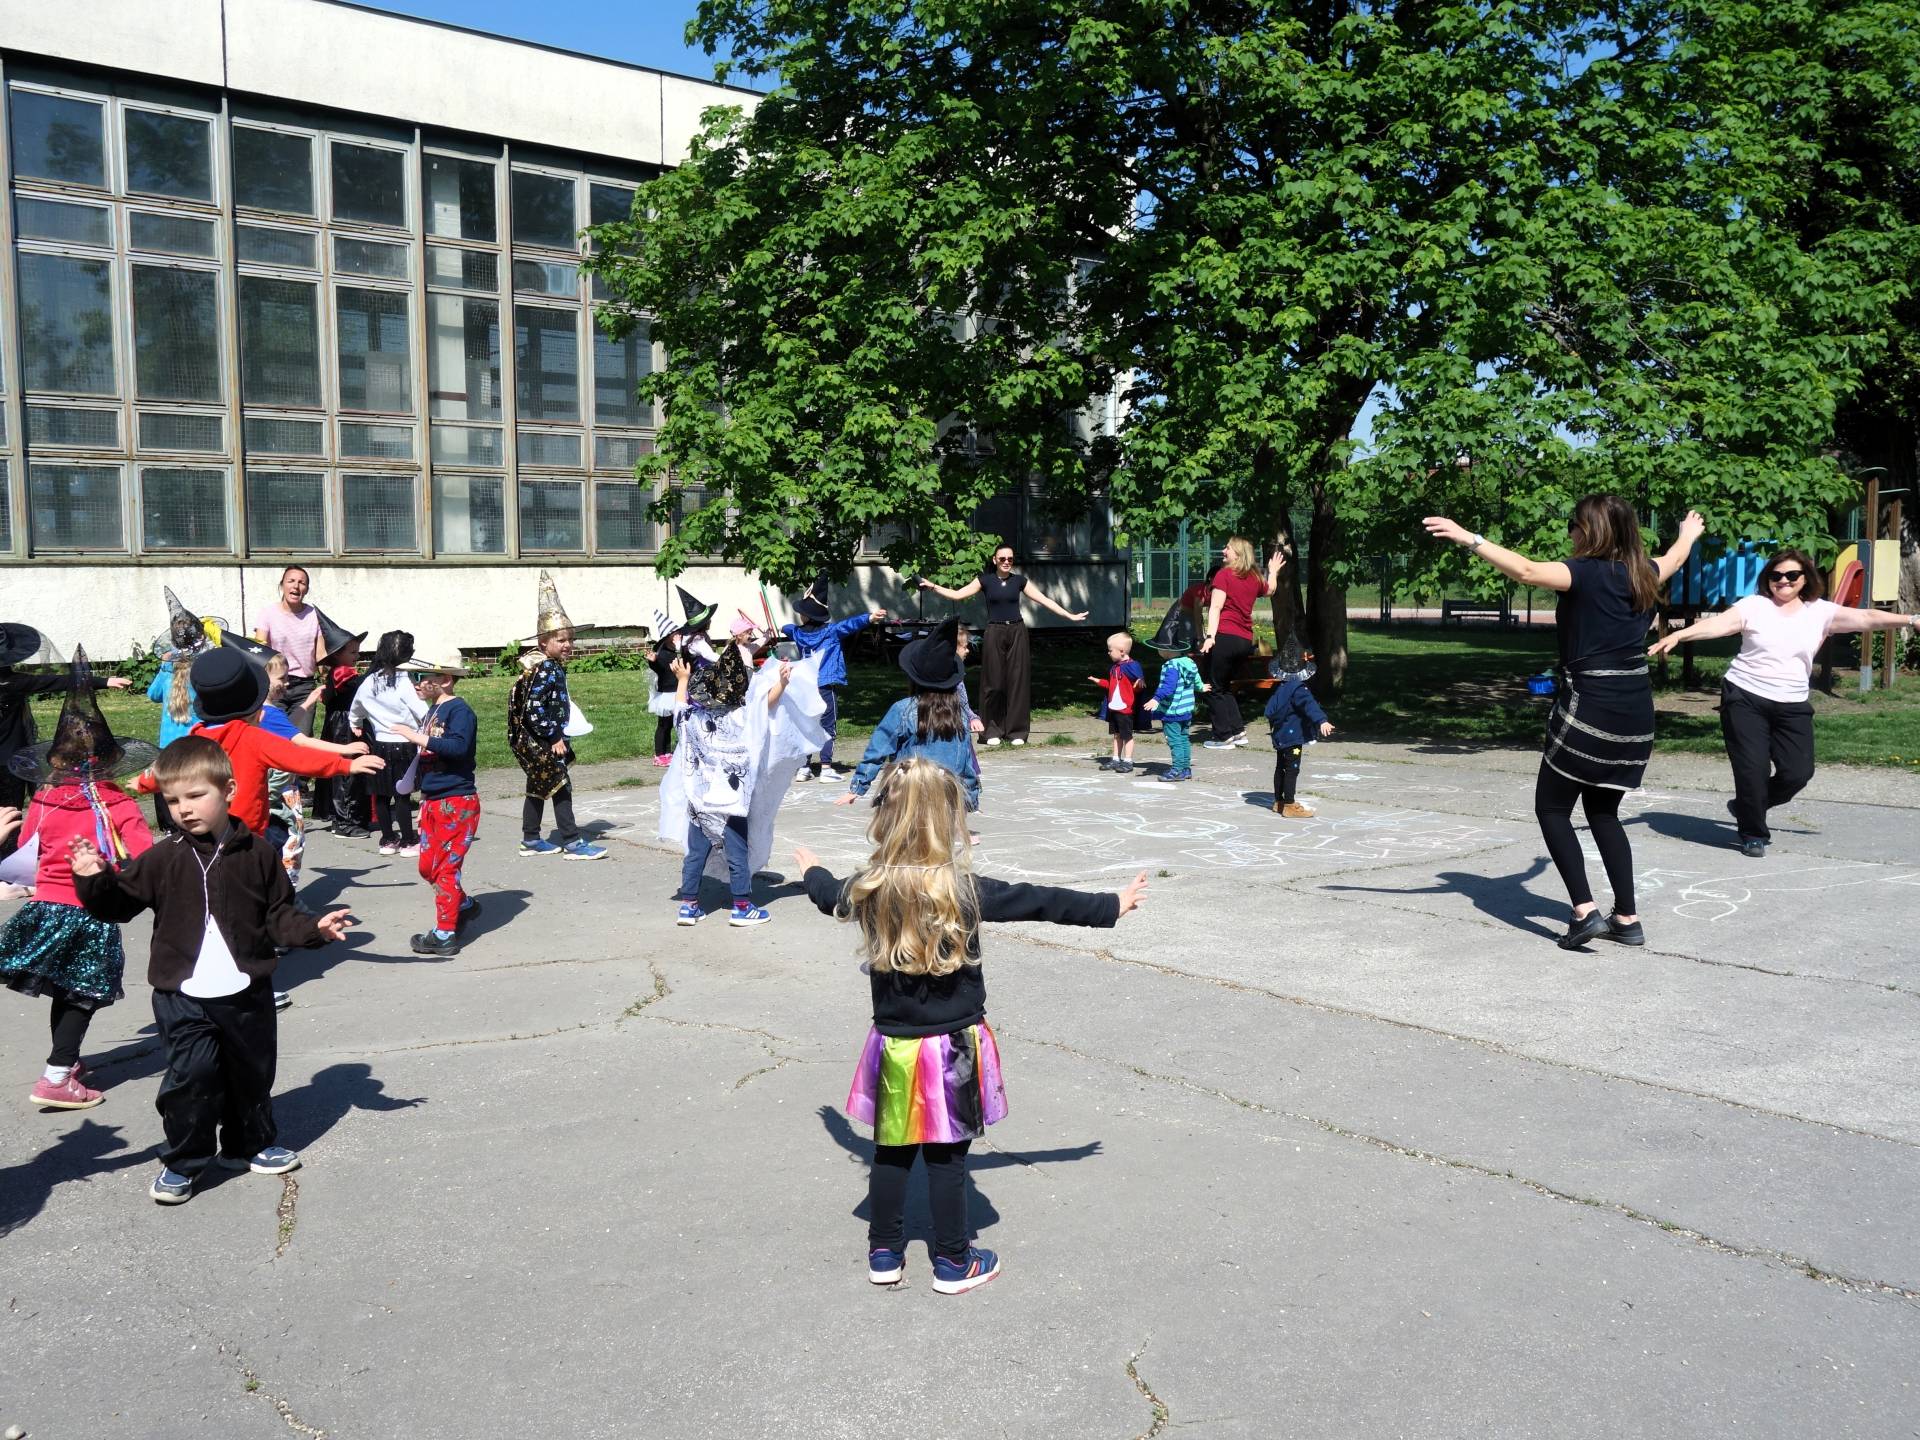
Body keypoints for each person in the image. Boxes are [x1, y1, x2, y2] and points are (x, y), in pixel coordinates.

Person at [796, 758, 1148, 1293]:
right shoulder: (962, 890)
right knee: (946, 1157)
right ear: (948, 822)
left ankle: (884, 1254)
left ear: (885, 818)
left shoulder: (868, 887)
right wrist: (1109, 905)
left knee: (891, 1151)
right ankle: (954, 1262)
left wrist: (812, 870)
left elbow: (827, 896)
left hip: (895, 1046)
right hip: (954, 1048)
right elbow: (1038, 900)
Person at [72, 735, 354, 1205]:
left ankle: (248, 1145)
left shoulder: (259, 854)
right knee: (192, 1078)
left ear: (228, 790)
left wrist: (314, 929)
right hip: (182, 995)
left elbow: (278, 916)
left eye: (195, 795)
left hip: (246, 993)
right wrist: (93, 880)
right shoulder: (164, 857)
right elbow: (118, 905)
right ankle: (184, 1161)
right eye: (172, 800)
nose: (183, 809)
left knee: (251, 1075)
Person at [1424, 500, 1704, 948]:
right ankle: (1627, 918)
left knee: (1552, 809)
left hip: (1590, 705)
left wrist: (1469, 538)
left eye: (1574, 525)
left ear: (1590, 531)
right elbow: (1675, 556)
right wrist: (1688, 533)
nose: (1570, 533)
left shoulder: (1584, 573)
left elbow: (1526, 571)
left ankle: (1584, 911)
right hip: (1634, 709)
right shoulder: (1644, 573)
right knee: (1603, 812)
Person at [1649, 548, 1919, 857]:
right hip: (1745, 696)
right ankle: (1753, 833)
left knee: (1797, 773)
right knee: (1752, 770)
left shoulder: (1819, 612)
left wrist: (1911, 619)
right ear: (1768, 579)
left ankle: (1748, 806)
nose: (1784, 581)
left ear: (1805, 579)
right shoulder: (1755, 606)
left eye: (1792, 575)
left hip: (1792, 703)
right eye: (1776, 575)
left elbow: (1867, 617)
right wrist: (1680, 636)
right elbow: (1719, 624)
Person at [1, 650, 156, 1111]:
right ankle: (56, 1074)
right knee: (82, 994)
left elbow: (27, 849)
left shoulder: (44, 798)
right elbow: (143, 859)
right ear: (111, 761)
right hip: (89, 910)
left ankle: (65, 1063)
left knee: (65, 989)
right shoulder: (117, 804)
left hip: (46, 907)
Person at [659, 642, 822, 926]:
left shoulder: (693, 720)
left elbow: (679, 707)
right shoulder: (741, 718)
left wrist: (682, 679)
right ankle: (742, 907)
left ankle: (688, 906)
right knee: (737, 854)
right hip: (732, 802)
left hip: (699, 801)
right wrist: (783, 683)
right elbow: (766, 704)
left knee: (696, 854)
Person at [918, 542, 1089, 747]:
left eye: (1010, 559)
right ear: (995, 560)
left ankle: (1017, 731)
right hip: (994, 631)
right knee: (993, 682)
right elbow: (958, 594)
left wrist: (1069, 616)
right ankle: (991, 730)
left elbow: (1044, 600)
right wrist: (933, 586)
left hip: (1017, 630)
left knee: (1018, 680)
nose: (1006, 562)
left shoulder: (1019, 581)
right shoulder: (985, 580)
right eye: (1002, 559)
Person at [0, 622, 133, 860]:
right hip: (8, 761)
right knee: (9, 812)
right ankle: (8, 861)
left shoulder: (11, 683)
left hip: (8, 757)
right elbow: (54, 681)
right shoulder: (12, 683)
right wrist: (102, 681)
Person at [508, 571, 606, 861]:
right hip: (543, 740)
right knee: (561, 785)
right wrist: (553, 736)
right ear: (543, 643)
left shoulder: (545, 666)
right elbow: (534, 707)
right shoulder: (546, 669)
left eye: (570, 639)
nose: (567, 645)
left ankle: (530, 839)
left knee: (538, 785)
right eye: (561, 640)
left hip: (534, 740)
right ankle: (573, 842)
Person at [838, 618, 982, 810]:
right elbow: (966, 763)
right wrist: (970, 800)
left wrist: (858, 786)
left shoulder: (903, 710)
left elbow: (878, 749)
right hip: (946, 798)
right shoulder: (959, 714)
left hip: (909, 795)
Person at [388, 660, 480, 956]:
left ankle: (444, 934)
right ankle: (463, 905)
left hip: (457, 802)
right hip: (433, 801)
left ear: (445, 679)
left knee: (445, 869)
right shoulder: (434, 710)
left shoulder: (460, 711)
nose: (416, 683)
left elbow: (458, 748)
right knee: (427, 867)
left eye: (421, 676)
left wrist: (414, 735)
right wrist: (421, 796)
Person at [782, 573, 887, 782]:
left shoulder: (798, 633)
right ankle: (826, 767)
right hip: (825, 685)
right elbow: (849, 625)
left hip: (806, 687)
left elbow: (788, 628)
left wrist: (780, 628)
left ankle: (804, 767)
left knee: (806, 724)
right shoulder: (831, 631)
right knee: (827, 725)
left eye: (802, 613)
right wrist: (869, 618)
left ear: (806, 616)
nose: (800, 616)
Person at [1198, 539, 1288, 749]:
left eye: (1227, 548)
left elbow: (1215, 607)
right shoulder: (1253, 577)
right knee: (1225, 686)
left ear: (1238, 554)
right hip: (1244, 640)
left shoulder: (1224, 574)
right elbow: (1270, 590)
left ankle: (1223, 737)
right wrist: (1273, 572)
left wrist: (1210, 636)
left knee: (1212, 687)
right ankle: (1238, 732)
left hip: (1225, 636)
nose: (1223, 550)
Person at [350, 631, 428, 857]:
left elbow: (356, 706)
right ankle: (408, 841)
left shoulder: (370, 681)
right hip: (404, 743)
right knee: (402, 795)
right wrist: (430, 729)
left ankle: (387, 839)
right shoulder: (405, 682)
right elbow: (422, 712)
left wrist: (355, 722)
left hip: (380, 744)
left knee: (381, 795)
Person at [309, 609, 369, 834]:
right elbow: (357, 685)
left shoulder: (343, 670)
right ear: (336, 655)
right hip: (342, 726)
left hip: (341, 723)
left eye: (357, 651)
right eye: (352, 652)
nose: (357, 656)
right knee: (345, 771)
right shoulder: (342, 673)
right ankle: (344, 820)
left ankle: (346, 816)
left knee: (347, 770)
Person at [1263, 640, 1334, 817]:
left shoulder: (1281, 687)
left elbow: (1270, 710)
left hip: (1280, 735)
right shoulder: (1299, 689)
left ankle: (1279, 801)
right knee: (1292, 769)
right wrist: (1322, 720)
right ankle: (1289, 805)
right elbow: (1309, 705)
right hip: (1293, 737)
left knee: (1281, 767)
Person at [251, 566, 326, 735]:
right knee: (274, 736)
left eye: (302, 583)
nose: (296, 586)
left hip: (304, 686)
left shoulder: (314, 615)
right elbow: (260, 650)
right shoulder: (267, 613)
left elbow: (321, 654)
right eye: (291, 581)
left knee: (301, 737)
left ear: (307, 589)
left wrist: (329, 681)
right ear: (282, 585)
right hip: (275, 683)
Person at [1142, 612, 1203, 782]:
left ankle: (1177, 769)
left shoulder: (1171, 666)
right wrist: (1200, 687)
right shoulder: (1188, 663)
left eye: (1159, 648)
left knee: (1174, 740)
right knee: (1184, 739)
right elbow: (1196, 679)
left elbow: (1168, 687)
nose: (1158, 651)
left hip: (1172, 711)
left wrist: (1156, 698)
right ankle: (1185, 769)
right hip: (1186, 709)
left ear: (1166, 650)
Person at [1089, 632, 1145, 774]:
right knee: (1116, 734)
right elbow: (1111, 686)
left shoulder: (1132, 666)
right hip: (1114, 708)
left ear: (1121, 651)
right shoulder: (1115, 668)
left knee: (1127, 736)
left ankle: (1128, 761)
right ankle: (1115, 759)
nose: (1108, 653)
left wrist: (1139, 684)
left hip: (1126, 709)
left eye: (1110, 650)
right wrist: (1099, 681)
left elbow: (1139, 686)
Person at [645, 610, 684, 768]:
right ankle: (660, 754)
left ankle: (670, 752)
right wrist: (653, 662)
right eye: (675, 635)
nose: (678, 637)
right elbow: (659, 669)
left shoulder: (680, 651)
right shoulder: (663, 654)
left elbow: (682, 663)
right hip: (667, 694)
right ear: (668, 637)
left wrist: (679, 648)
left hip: (679, 691)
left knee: (678, 723)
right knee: (664, 725)